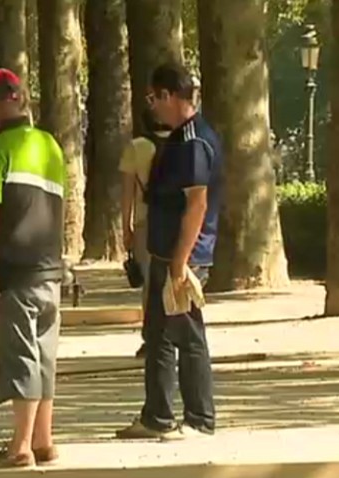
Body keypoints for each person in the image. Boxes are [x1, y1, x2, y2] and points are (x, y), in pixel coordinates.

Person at [115, 63, 222, 441]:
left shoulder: (193, 142)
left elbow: (197, 204)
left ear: (169, 95)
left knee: (187, 334)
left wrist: (180, 263)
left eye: (153, 98)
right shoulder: (177, 138)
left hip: (184, 256)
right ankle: (156, 416)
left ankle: (199, 419)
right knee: (157, 335)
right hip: (163, 252)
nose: (152, 106)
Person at [0, 68, 66, 469]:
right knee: (44, 357)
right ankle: (44, 441)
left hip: (12, 274)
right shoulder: (51, 146)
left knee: (20, 357)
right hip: (50, 272)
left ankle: (20, 447)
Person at [120, 109, 172, 358]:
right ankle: (174, 334)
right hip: (176, 222)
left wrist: (125, 228)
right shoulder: (182, 143)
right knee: (174, 278)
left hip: (146, 223)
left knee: (151, 283)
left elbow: (127, 193)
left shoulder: (137, 147)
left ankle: (152, 338)